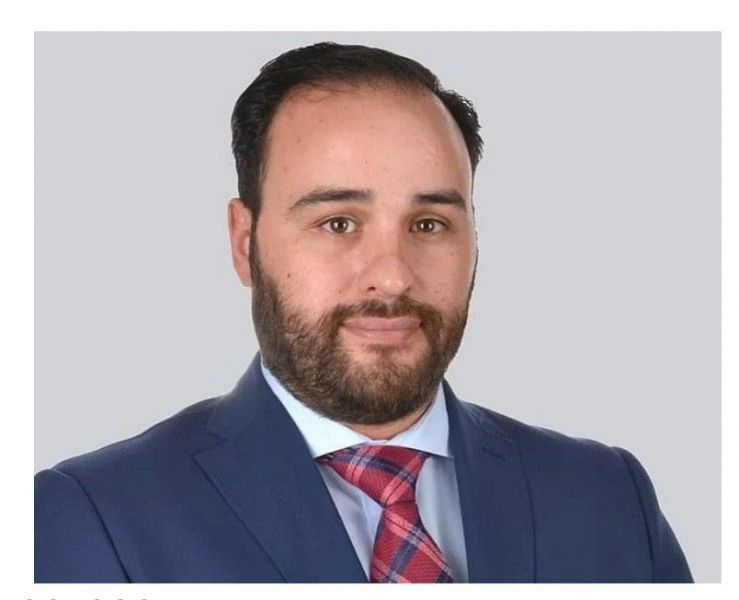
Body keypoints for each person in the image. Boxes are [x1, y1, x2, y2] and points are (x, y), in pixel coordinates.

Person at [34, 42, 693, 583]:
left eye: (429, 223)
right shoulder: (92, 517)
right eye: (339, 222)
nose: (392, 275)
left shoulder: (609, 498)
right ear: (244, 242)